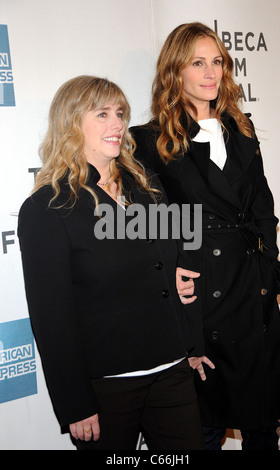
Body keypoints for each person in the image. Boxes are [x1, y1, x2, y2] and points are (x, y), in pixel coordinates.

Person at [130, 22, 280, 450]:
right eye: (197, 63)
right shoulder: (149, 141)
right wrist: (176, 269)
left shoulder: (241, 130)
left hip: (251, 284)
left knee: (263, 424)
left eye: (217, 62)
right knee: (204, 425)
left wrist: (268, 263)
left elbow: (263, 208)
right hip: (203, 293)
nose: (210, 73)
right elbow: (149, 221)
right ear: (175, 72)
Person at [17, 75, 206, 450]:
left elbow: (172, 269)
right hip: (107, 388)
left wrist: (193, 344)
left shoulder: (146, 186)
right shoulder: (48, 208)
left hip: (172, 370)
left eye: (119, 113)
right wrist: (74, 403)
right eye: (102, 114)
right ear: (71, 123)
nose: (118, 124)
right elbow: (52, 317)